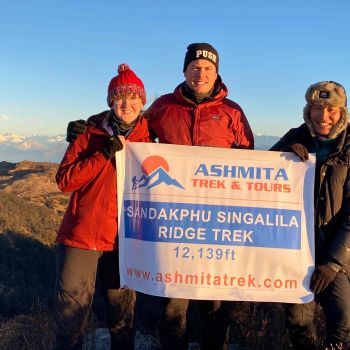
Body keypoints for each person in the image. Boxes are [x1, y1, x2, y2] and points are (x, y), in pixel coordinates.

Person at [66, 43, 254, 350]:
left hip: (217, 223)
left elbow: (248, 160)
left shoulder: (233, 112)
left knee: (215, 305)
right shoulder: (164, 106)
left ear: (217, 73)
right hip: (174, 222)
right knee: (172, 306)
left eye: (207, 69)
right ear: (184, 71)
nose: (200, 74)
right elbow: (130, 120)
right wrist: (86, 127)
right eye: (194, 67)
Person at [53, 64, 152, 350]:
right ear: (111, 102)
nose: (127, 104)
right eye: (120, 98)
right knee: (70, 318)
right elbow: (65, 181)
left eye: (134, 98)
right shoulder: (89, 134)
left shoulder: (151, 140)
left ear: (142, 102)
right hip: (81, 236)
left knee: (122, 318)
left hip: (124, 239)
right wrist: (102, 155)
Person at [270, 81, 350, 350]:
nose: (323, 116)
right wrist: (283, 155)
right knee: (298, 321)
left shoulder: (348, 145)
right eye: (317, 107)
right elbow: (261, 179)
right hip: (297, 248)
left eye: (331, 109)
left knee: (342, 321)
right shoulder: (297, 135)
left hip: (336, 251)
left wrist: (333, 263)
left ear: (342, 112)